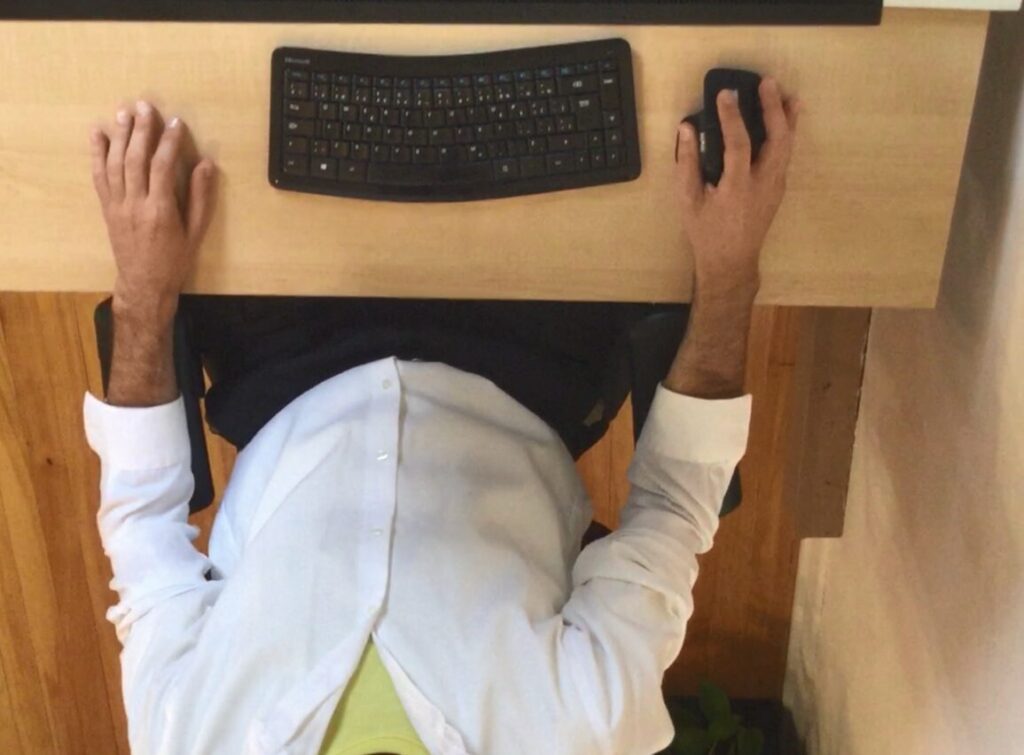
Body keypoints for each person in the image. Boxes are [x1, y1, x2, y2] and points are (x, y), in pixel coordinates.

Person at [83, 81, 799, 755]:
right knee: (591, 86)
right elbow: (674, 504)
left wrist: (143, 292)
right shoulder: (576, 734)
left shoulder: (191, 736)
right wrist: (731, 268)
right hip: (532, 346)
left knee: (220, 89)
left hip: (279, 355)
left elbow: (142, 520)